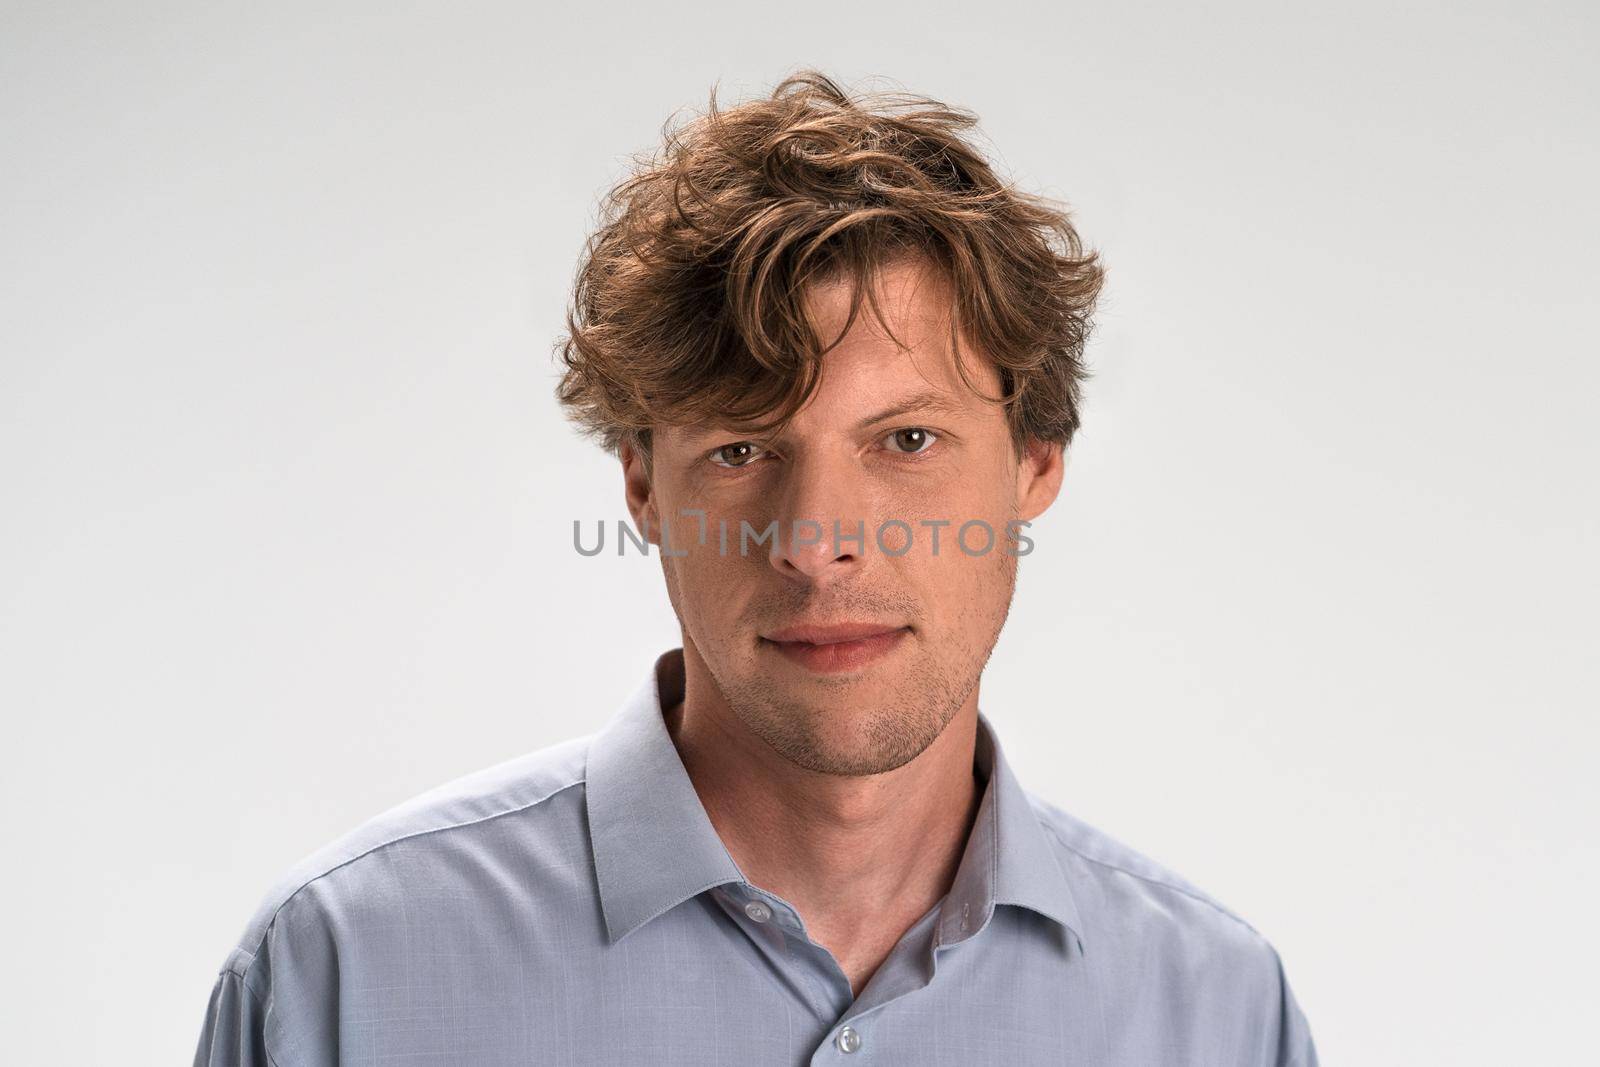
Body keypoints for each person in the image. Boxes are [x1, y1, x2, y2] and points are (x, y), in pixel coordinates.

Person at [194, 70, 1318, 1066]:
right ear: (641, 485)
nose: (816, 539)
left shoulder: (1216, 1012)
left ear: (1033, 464)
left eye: (907, 441)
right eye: (740, 449)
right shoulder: (346, 970)